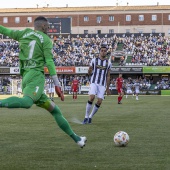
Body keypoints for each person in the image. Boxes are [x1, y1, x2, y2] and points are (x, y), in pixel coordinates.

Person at [0, 16, 86, 148]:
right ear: (44, 26)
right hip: (36, 77)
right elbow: (49, 62)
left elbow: (4, 30)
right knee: (28, 102)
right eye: (48, 26)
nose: (49, 28)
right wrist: (57, 84)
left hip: (26, 76)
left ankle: (77, 139)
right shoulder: (46, 40)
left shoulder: (23, 33)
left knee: (55, 110)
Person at [82, 45, 111, 124]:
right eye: (102, 50)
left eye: (105, 51)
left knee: (99, 101)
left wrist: (108, 88)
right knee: (91, 97)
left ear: (106, 52)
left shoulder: (108, 63)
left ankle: (90, 116)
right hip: (94, 82)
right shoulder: (94, 60)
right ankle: (86, 117)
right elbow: (89, 73)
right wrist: (89, 71)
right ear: (99, 51)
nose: (103, 52)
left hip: (102, 84)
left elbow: (108, 76)